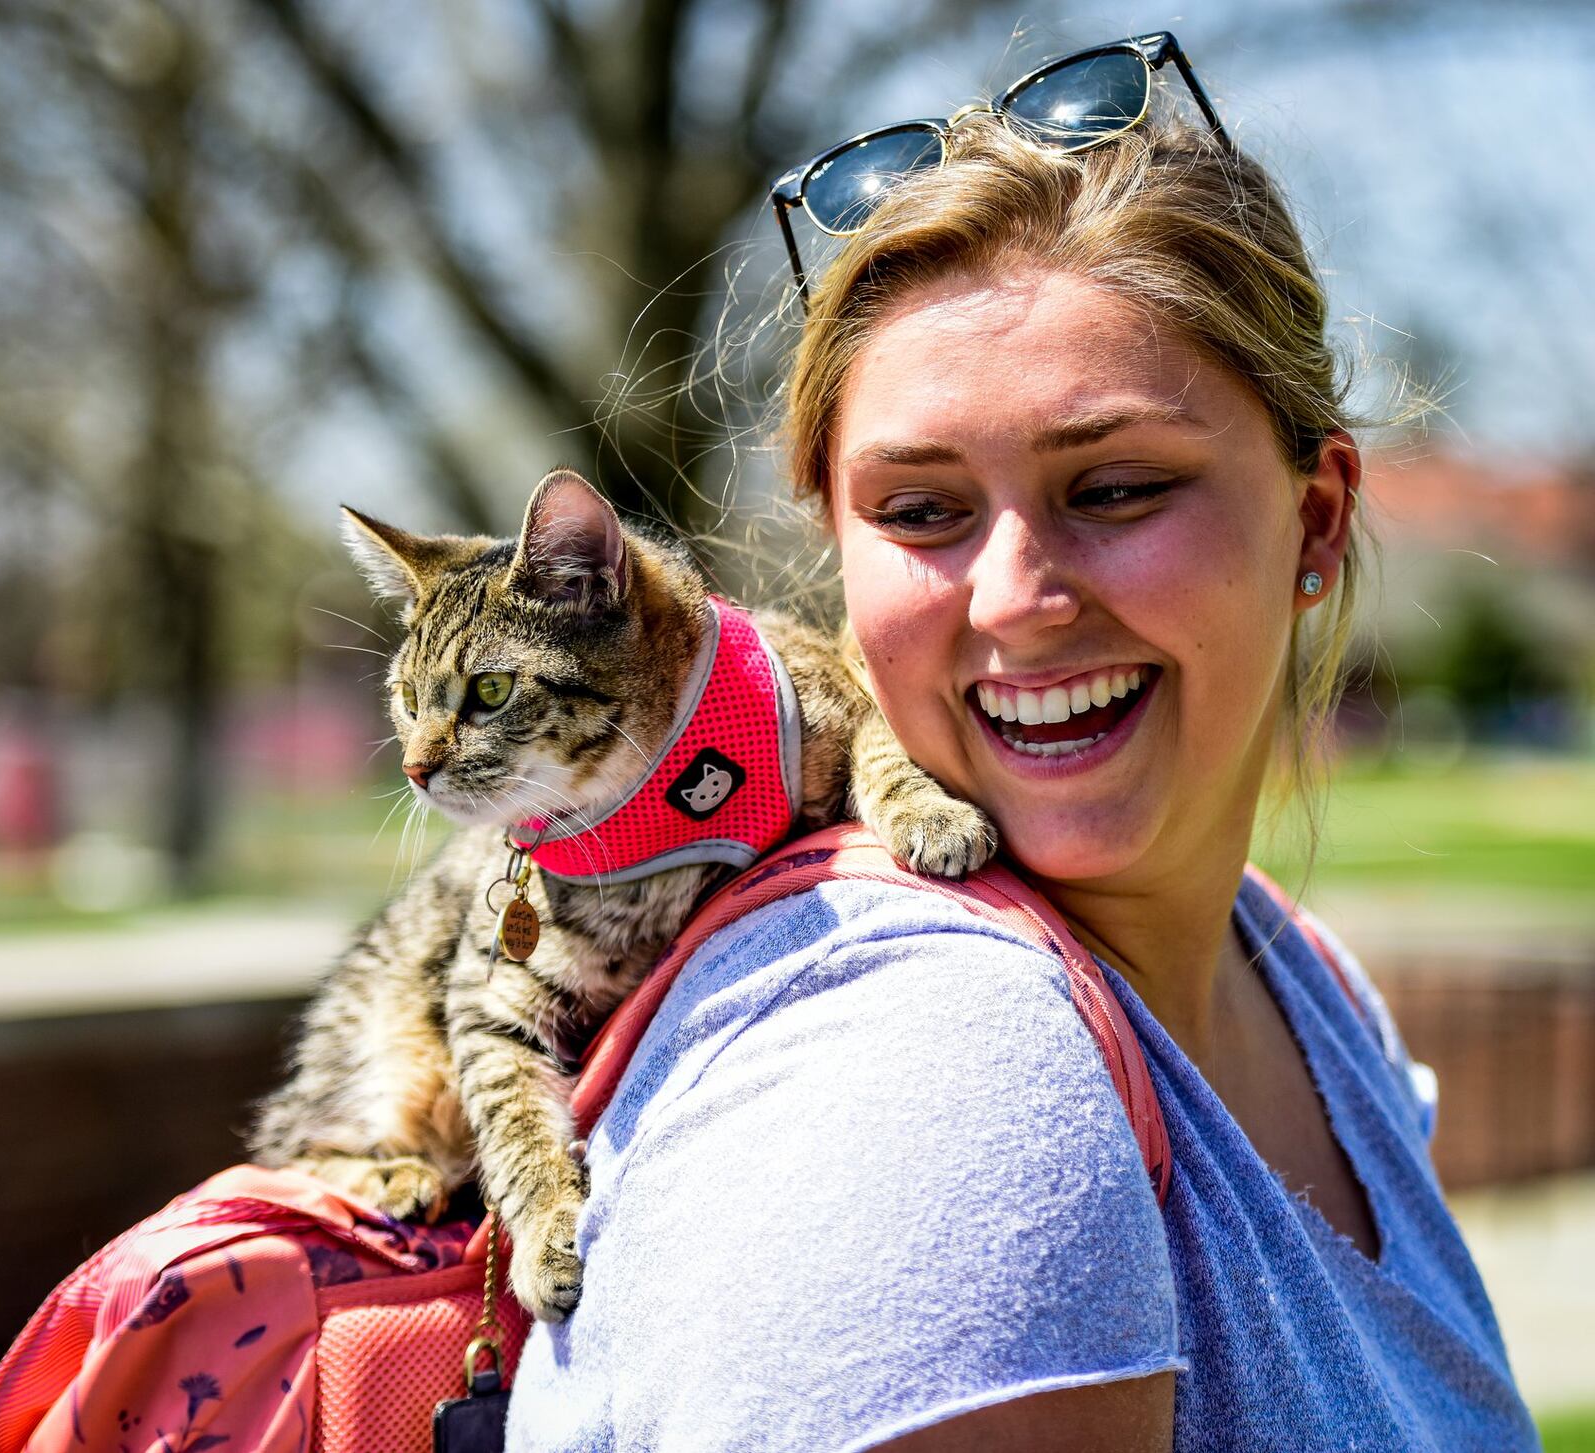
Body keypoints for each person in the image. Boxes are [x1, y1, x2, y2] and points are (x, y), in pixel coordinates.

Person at [503, 34, 1538, 1453]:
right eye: (921, 512)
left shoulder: (1308, 988)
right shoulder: (936, 1082)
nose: (1013, 598)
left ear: (1316, 519)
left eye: (1112, 487)